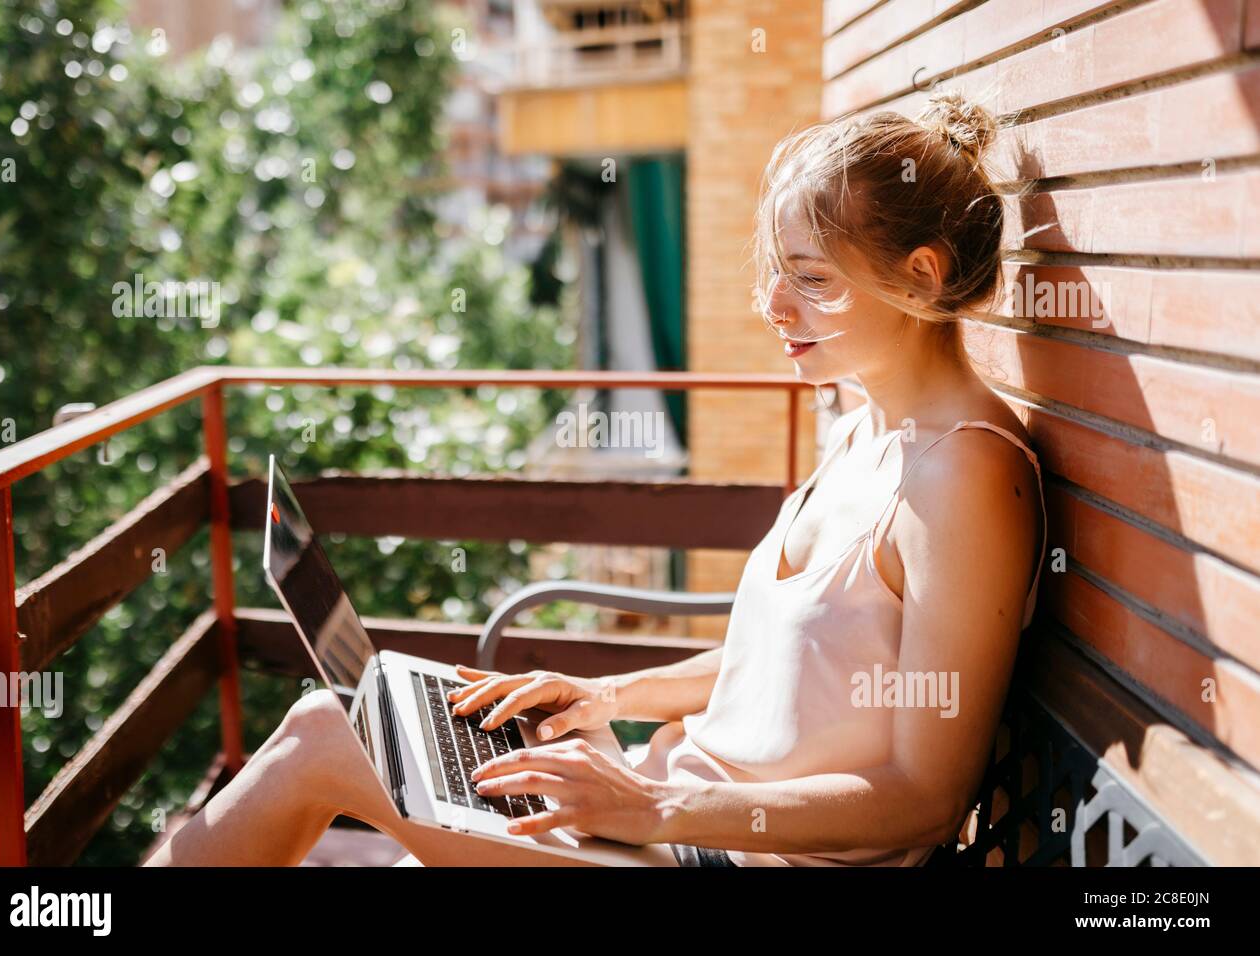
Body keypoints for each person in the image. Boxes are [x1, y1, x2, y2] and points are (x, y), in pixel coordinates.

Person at [146, 90, 1046, 867]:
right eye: (778, 271)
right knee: (380, 726)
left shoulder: (966, 477)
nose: (774, 305)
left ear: (919, 277)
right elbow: (786, 668)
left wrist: (657, 807)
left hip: (709, 849)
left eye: (810, 279)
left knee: (326, 735)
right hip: (668, 815)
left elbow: (925, 797)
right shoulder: (863, 428)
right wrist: (608, 698)